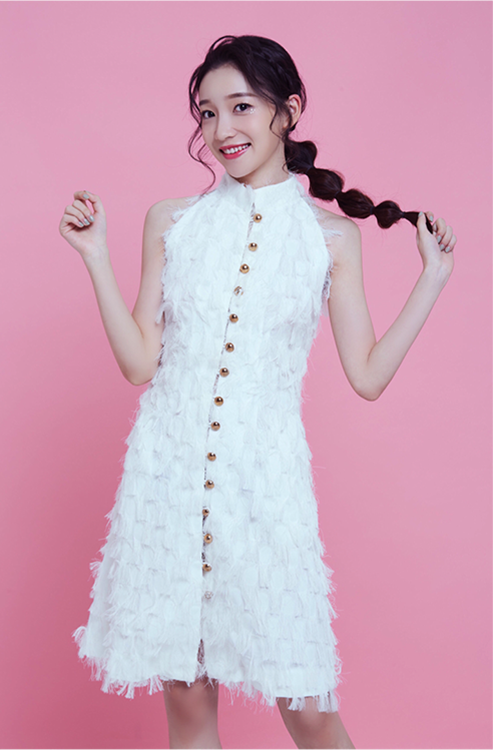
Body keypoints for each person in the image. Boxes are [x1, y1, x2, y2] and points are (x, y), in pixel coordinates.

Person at [59, 34, 456, 750]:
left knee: (307, 707)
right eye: (207, 112)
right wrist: (94, 258)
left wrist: (431, 279)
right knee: (187, 704)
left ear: (288, 110)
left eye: (240, 106)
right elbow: (139, 363)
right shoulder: (171, 221)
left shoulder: (329, 238)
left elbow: (367, 375)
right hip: (166, 485)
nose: (222, 130)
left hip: (264, 490)